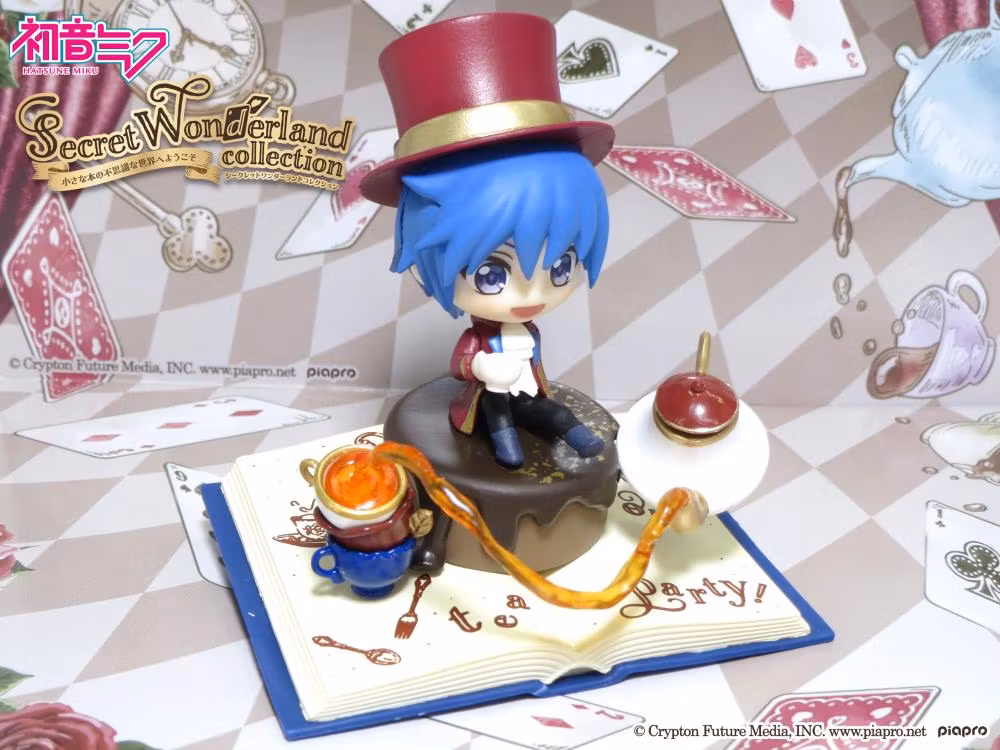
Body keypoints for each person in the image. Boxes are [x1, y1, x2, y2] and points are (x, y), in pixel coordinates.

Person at [392, 142, 610, 468]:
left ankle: (582, 439)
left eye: (560, 267)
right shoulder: (478, 338)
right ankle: (508, 451)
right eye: (491, 275)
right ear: (421, 269)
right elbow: (460, 364)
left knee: (556, 413)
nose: (530, 295)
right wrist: (480, 366)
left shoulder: (531, 332)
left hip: (527, 396)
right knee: (500, 419)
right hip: (490, 399)